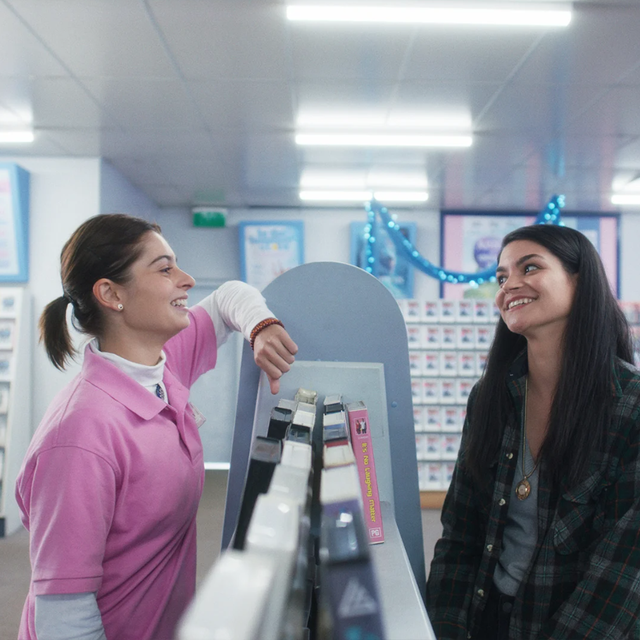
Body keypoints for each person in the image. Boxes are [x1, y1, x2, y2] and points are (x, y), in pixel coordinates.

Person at [15, 213, 298, 640]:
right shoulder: (80, 436)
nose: (186, 279)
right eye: (165, 269)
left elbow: (228, 297)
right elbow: (63, 613)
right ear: (111, 294)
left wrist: (261, 326)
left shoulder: (162, 369)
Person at [426, 224, 640, 639]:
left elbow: (624, 568)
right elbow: (460, 533)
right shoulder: (490, 397)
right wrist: (445, 628)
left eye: (530, 267)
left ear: (579, 281)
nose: (510, 285)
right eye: (502, 276)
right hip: (487, 620)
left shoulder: (630, 406)